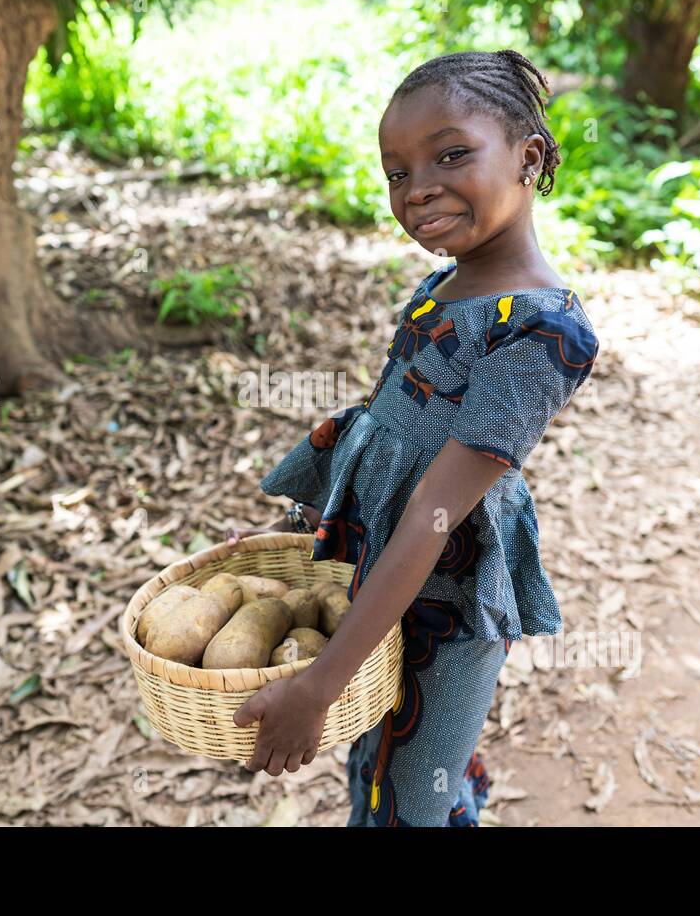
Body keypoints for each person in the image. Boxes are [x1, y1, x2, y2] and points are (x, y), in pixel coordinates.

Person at [225, 48, 600, 826]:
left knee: (409, 800)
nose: (418, 187)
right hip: (377, 585)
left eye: (452, 155)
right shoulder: (446, 283)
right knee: (379, 761)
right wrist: (299, 535)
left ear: (528, 158)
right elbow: (384, 437)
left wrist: (320, 683)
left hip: (447, 610)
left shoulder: (544, 331)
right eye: (397, 172)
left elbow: (435, 508)